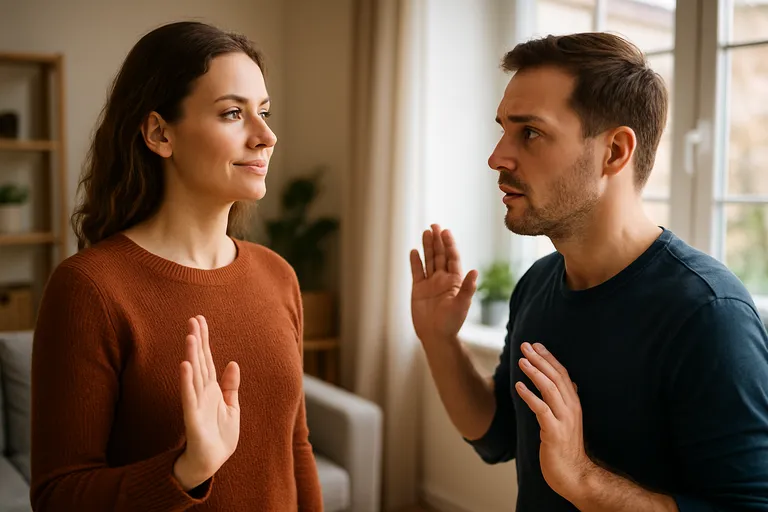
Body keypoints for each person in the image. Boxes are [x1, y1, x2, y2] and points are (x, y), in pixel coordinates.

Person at [410, 32, 768, 511]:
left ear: (615, 152)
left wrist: (584, 481)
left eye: (530, 132)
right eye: (502, 129)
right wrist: (440, 341)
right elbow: (496, 435)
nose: (497, 157)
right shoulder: (537, 284)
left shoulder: (707, 314)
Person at [30, 21, 323, 511]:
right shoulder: (89, 288)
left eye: (265, 113)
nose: (266, 136)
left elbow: (295, 450)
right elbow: (58, 495)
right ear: (160, 133)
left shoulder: (278, 276)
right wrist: (186, 471)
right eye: (233, 113)